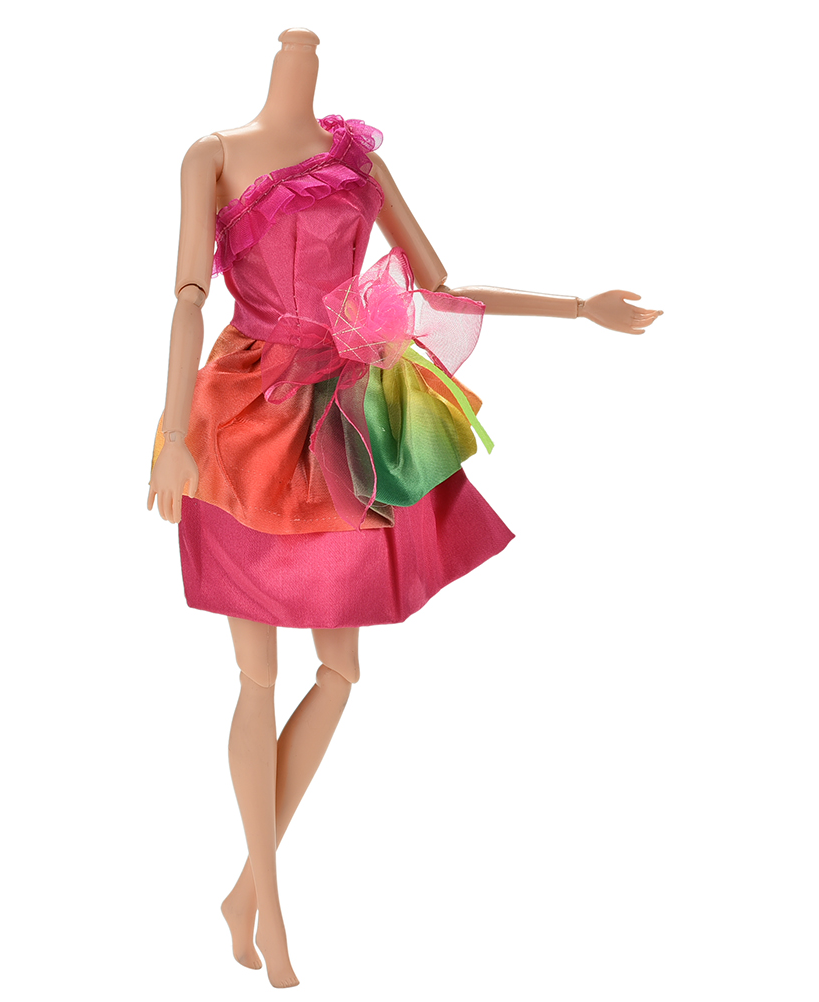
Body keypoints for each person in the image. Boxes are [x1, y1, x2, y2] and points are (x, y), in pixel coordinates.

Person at [147, 27, 662, 989]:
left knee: (339, 669)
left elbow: (437, 287)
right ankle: (268, 906)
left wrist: (578, 307)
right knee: (255, 676)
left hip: (340, 415)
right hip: (242, 418)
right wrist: (171, 431)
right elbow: (185, 298)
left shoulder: (359, 160)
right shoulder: (210, 154)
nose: (302, 50)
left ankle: (244, 893)